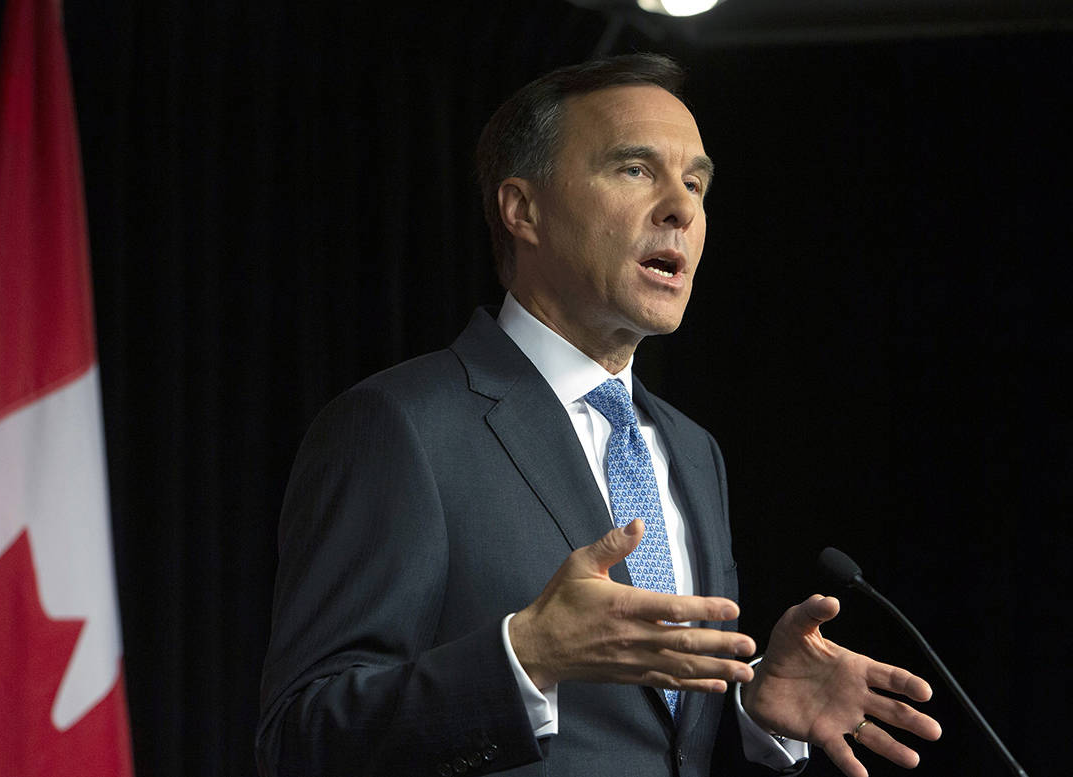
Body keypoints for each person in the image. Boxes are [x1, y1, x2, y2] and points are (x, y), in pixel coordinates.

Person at [256, 54, 941, 777]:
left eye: (696, 182)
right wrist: (525, 656)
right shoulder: (399, 427)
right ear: (522, 210)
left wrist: (749, 708)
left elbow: (657, 744)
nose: (681, 207)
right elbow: (301, 739)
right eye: (635, 170)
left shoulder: (691, 448)